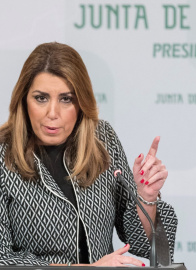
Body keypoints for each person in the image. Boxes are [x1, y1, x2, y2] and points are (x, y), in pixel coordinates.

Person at [0, 42, 178, 266]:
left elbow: (141, 243)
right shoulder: (2, 155)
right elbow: (3, 259)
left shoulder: (102, 140)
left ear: (81, 102)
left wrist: (146, 197)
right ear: (23, 100)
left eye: (66, 99)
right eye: (41, 98)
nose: (52, 113)